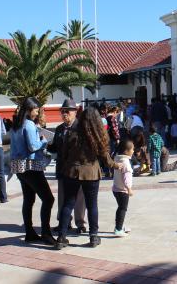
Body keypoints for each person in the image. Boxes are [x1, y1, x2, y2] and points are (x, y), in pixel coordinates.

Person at [56, 107, 123, 250]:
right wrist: (116, 166)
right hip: (91, 173)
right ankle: (93, 236)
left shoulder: (72, 133)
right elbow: (105, 157)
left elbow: (64, 153)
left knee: (68, 204)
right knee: (92, 205)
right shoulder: (98, 135)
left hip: (72, 171)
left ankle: (61, 237)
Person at [10, 97, 55, 245]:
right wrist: (43, 140)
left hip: (20, 167)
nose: (38, 112)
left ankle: (29, 232)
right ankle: (46, 233)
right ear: (30, 109)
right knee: (48, 199)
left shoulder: (16, 124)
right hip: (31, 166)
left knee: (28, 200)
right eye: (36, 109)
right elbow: (32, 146)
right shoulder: (29, 124)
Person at [48, 99, 87, 235]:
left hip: (77, 169)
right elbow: (54, 148)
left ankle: (80, 223)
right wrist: (46, 143)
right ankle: (64, 222)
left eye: (67, 111)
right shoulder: (59, 129)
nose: (64, 114)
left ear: (75, 112)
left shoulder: (81, 128)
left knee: (79, 197)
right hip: (62, 168)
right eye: (62, 111)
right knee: (63, 197)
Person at [112, 139, 134, 237]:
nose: (133, 151)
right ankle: (118, 229)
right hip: (122, 191)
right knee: (122, 209)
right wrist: (129, 189)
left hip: (116, 188)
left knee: (120, 208)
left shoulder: (117, 159)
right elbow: (127, 178)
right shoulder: (126, 163)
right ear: (126, 151)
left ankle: (118, 226)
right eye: (132, 149)